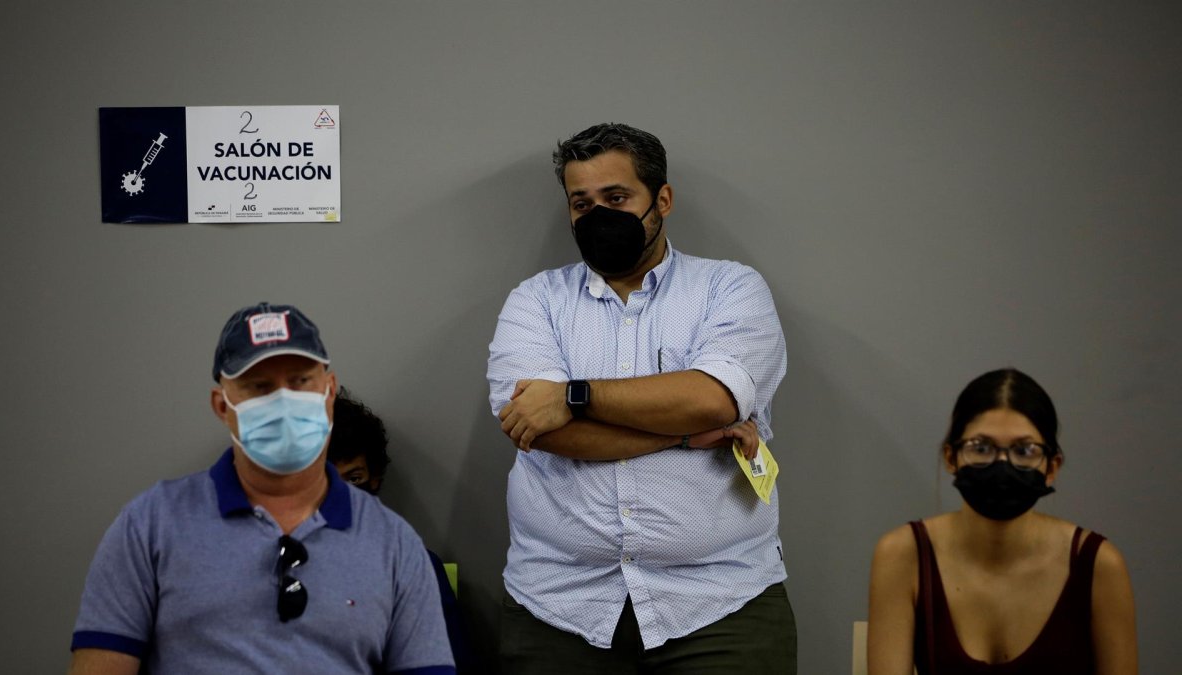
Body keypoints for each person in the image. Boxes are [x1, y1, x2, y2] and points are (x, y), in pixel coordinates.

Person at [487, 123, 795, 674]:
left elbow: (712, 400)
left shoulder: (730, 289)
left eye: (616, 198)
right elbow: (541, 428)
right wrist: (685, 435)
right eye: (582, 204)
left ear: (663, 200)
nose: (598, 215)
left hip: (719, 601)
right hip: (559, 603)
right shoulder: (535, 301)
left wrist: (573, 395)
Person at [69, 302, 455, 675]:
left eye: (300, 381)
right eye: (259, 386)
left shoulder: (395, 543)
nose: (283, 401)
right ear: (223, 406)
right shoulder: (149, 525)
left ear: (329, 391)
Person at [867, 368, 1137, 674]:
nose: (1002, 466)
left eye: (1025, 450)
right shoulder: (903, 555)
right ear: (951, 457)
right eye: (981, 448)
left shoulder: (1098, 564)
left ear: (1052, 467)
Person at [325, 387, 472, 671]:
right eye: (326, 479)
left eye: (353, 478)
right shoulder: (273, 564)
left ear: (375, 477)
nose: (341, 495)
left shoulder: (414, 566)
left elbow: (451, 664)